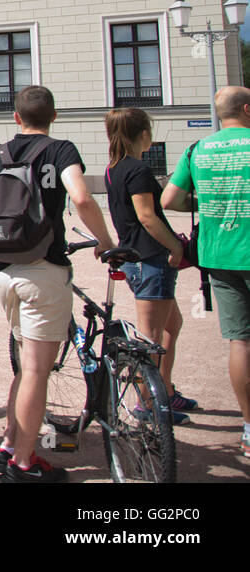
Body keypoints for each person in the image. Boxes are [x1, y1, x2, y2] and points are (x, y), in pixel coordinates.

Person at [0, 85, 114, 482]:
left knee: (26, 368)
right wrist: (106, 243)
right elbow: (83, 197)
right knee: (38, 371)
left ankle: (8, 443)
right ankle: (24, 463)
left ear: (16, 118)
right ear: (54, 116)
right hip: (44, 268)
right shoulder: (61, 149)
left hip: (4, 270)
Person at [162, 86, 250, 458]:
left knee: (240, 340)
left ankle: (248, 427)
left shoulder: (198, 150)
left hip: (220, 256)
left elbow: (170, 199)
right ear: (247, 109)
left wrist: (207, 198)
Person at [104, 108, 193, 421]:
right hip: (149, 258)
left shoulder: (114, 168)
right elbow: (146, 217)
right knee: (150, 339)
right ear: (142, 133)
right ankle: (148, 405)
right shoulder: (137, 170)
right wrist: (176, 247)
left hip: (136, 258)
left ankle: (164, 390)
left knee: (171, 325)